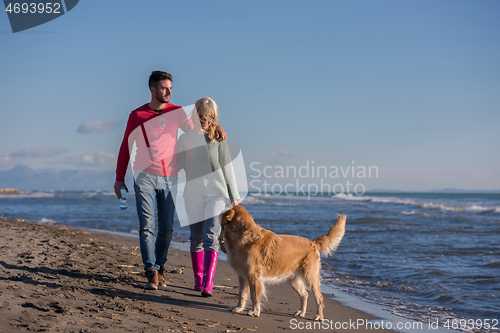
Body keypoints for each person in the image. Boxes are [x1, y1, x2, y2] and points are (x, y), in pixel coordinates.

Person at [114, 71, 227, 290]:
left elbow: (199, 129)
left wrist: (218, 126)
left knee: (166, 229)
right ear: (153, 89)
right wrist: (119, 179)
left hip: (170, 177)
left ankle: (160, 267)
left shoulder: (177, 112)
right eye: (165, 88)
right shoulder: (137, 115)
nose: (169, 92)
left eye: (171, 88)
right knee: (147, 225)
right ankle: (151, 271)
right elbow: (125, 148)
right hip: (144, 175)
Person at [177, 97, 240, 297]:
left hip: (217, 193)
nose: (205, 120)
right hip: (192, 193)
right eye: (202, 116)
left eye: (210, 117)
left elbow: (227, 167)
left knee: (211, 237)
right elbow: (177, 165)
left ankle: (208, 283)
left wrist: (233, 196)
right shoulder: (184, 139)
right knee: (196, 239)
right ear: (195, 115)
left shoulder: (218, 138)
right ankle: (198, 278)